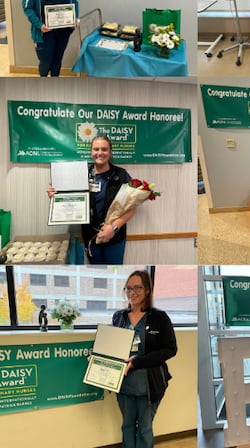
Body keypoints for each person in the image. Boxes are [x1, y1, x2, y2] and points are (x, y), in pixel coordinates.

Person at [112, 270, 177, 448]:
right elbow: (113, 345)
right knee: (127, 426)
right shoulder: (119, 317)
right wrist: (99, 358)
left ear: (147, 290)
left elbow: (171, 349)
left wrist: (137, 361)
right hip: (124, 383)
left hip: (148, 383)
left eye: (137, 288)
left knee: (144, 429)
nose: (132, 292)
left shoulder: (159, 318)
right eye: (128, 288)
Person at [47, 135, 135, 264]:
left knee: (114, 272)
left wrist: (113, 228)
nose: (100, 153)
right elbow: (68, 197)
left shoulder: (121, 175)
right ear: (91, 152)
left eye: (104, 149)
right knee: (96, 272)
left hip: (114, 237)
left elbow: (132, 208)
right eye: (96, 149)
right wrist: (55, 195)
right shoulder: (80, 173)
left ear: (110, 152)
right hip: (91, 237)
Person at [22, 0, 79, 77]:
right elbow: (27, 7)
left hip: (63, 31)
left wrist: (75, 19)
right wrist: (39, 25)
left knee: (57, 60)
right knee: (46, 62)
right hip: (44, 33)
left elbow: (74, 2)